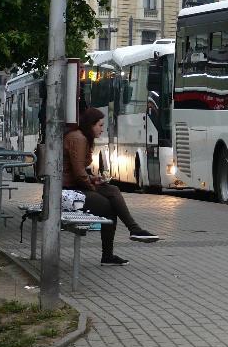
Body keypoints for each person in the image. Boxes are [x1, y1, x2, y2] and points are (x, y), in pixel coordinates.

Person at [64, 108, 158, 266]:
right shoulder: (79, 139)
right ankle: (120, 243)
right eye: (100, 125)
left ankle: (133, 231)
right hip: (68, 192)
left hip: (74, 186)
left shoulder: (82, 138)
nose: (102, 129)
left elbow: (78, 173)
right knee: (109, 207)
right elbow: (79, 173)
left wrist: (94, 179)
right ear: (90, 125)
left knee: (113, 190)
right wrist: (93, 186)